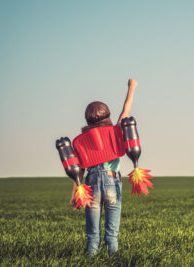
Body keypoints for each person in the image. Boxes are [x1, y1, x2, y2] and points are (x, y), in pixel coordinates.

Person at [70, 78, 138, 256]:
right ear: (107, 116)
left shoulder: (82, 141)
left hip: (91, 183)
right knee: (112, 234)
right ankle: (113, 260)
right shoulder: (116, 132)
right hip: (112, 181)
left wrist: (75, 192)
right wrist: (131, 88)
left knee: (92, 235)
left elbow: (79, 168)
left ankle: (89, 260)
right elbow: (126, 110)